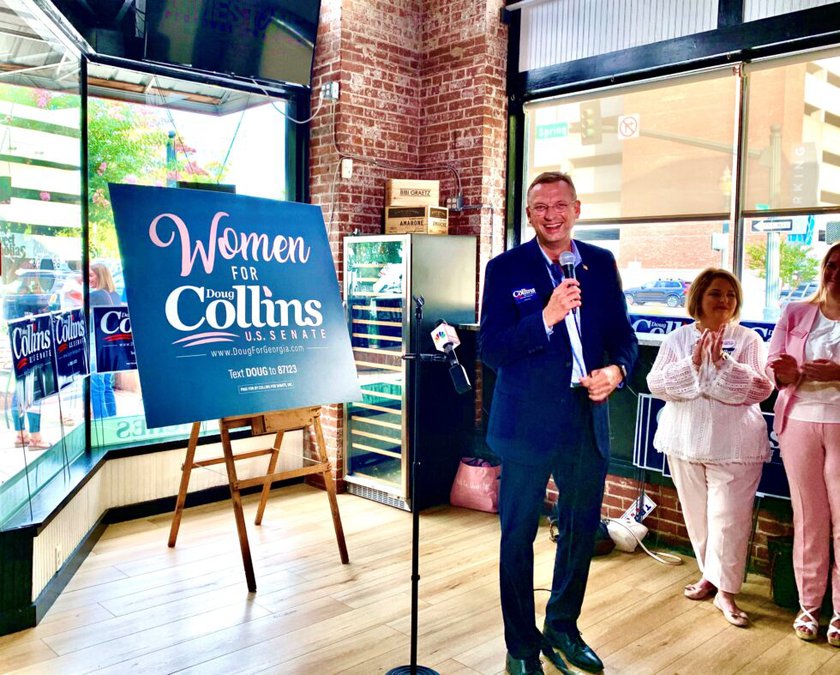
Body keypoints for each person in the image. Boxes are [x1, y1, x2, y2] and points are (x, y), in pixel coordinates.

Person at [479, 171, 638, 675]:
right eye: (541, 207)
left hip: (585, 418)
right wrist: (545, 317)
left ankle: (563, 627)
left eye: (560, 205)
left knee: (580, 528)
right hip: (526, 423)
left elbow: (624, 337)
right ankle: (521, 647)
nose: (551, 215)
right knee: (518, 535)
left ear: (577, 209)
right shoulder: (505, 268)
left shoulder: (600, 263)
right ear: (529, 215)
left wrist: (616, 371)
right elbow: (491, 349)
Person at [646, 268, 773, 628]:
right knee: (698, 520)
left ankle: (727, 592)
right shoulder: (678, 339)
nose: (724, 300)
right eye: (716, 293)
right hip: (684, 443)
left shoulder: (748, 340)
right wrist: (694, 364)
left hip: (735, 447)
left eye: (730, 295)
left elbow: (760, 389)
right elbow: (657, 384)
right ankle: (710, 577)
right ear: (699, 298)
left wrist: (721, 364)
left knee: (729, 521)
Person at [766, 242, 840, 645]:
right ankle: (808, 606)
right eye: (831, 264)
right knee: (809, 519)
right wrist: (785, 373)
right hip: (799, 423)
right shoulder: (795, 312)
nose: (836, 273)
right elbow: (773, 364)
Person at [89, 262, 120, 418]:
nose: (88, 279)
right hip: (111, 346)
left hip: (98, 346)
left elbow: (75, 300)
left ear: (100, 276)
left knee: (96, 387)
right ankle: (112, 420)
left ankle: (101, 423)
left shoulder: (97, 295)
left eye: (91, 275)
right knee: (107, 385)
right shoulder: (115, 295)